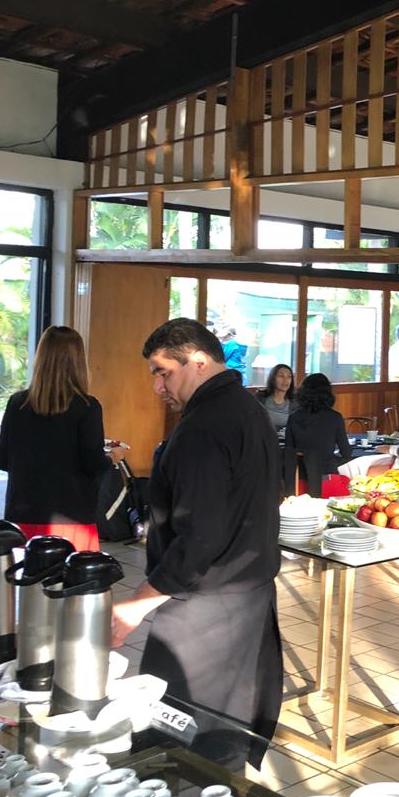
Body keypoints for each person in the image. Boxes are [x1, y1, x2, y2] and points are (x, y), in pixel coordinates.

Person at [112, 318, 283, 768]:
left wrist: (137, 604)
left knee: (178, 731)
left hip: (206, 605)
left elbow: (199, 536)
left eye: (162, 372)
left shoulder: (203, 427)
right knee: (225, 724)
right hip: (247, 592)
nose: (157, 387)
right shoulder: (248, 410)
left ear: (200, 362)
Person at [0, 326, 127, 553]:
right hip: (72, 517)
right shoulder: (87, 407)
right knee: (71, 575)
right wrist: (113, 457)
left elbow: (2, 460)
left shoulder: (17, 403)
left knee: (28, 575)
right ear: (78, 362)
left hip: (23, 516)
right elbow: (92, 464)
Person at [284, 373, 352, 497]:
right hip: (328, 480)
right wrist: (330, 460)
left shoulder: (293, 418)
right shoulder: (335, 417)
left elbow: (289, 451)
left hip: (299, 483)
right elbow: (347, 453)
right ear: (328, 393)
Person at [257, 364, 296, 433]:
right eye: (281, 376)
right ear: (273, 379)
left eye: (289, 377)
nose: (285, 380)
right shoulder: (260, 398)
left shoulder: (295, 402)